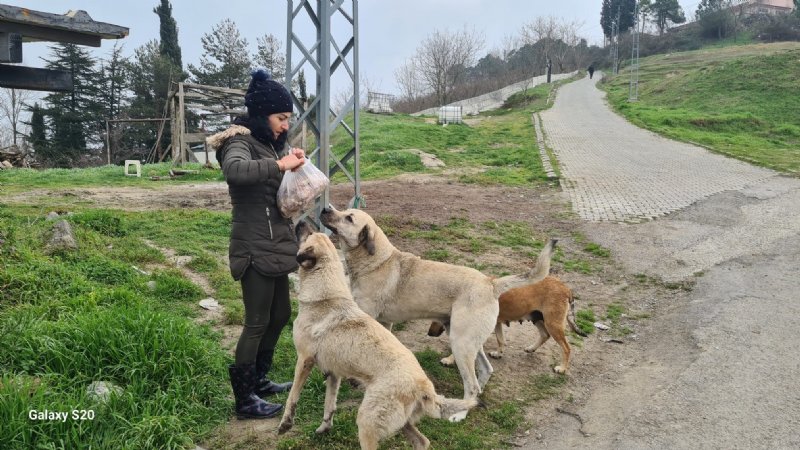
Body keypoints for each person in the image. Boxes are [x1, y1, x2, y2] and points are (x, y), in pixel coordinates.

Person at [207, 69, 306, 419]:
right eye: (281, 118)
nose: (284, 125)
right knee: (256, 322)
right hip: (252, 245)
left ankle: (260, 378)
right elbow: (235, 172)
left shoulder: (265, 144)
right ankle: (245, 399)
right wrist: (280, 163)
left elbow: (271, 177)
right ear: (263, 113)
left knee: (281, 315)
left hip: (275, 242)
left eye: (287, 119)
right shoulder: (240, 141)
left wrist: (292, 167)